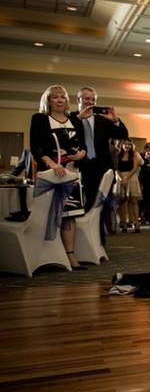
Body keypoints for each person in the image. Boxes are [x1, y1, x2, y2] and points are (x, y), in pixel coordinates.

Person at [29, 85, 87, 269]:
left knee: (70, 215)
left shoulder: (75, 121)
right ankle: (45, 256)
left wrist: (81, 154)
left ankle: (70, 256)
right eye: (55, 97)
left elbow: (84, 146)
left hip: (72, 174)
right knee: (47, 215)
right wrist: (52, 164)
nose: (60, 100)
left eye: (62, 97)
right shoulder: (39, 119)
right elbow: (36, 147)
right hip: (50, 175)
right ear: (48, 100)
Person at [72, 87, 127, 242]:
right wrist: (79, 119)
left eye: (93, 100)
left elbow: (123, 135)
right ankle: (84, 241)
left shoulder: (103, 120)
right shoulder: (71, 119)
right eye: (86, 99)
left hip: (102, 169)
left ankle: (99, 241)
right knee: (86, 204)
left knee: (103, 206)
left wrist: (115, 120)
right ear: (78, 100)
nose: (90, 102)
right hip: (80, 168)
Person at [115, 139, 142, 233]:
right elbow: (116, 168)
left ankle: (136, 224)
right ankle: (124, 224)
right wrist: (122, 178)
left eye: (129, 144)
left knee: (134, 201)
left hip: (132, 177)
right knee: (123, 201)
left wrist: (127, 177)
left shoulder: (134, 154)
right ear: (122, 145)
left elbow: (135, 167)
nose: (127, 146)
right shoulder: (118, 155)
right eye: (126, 144)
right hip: (121, 178)